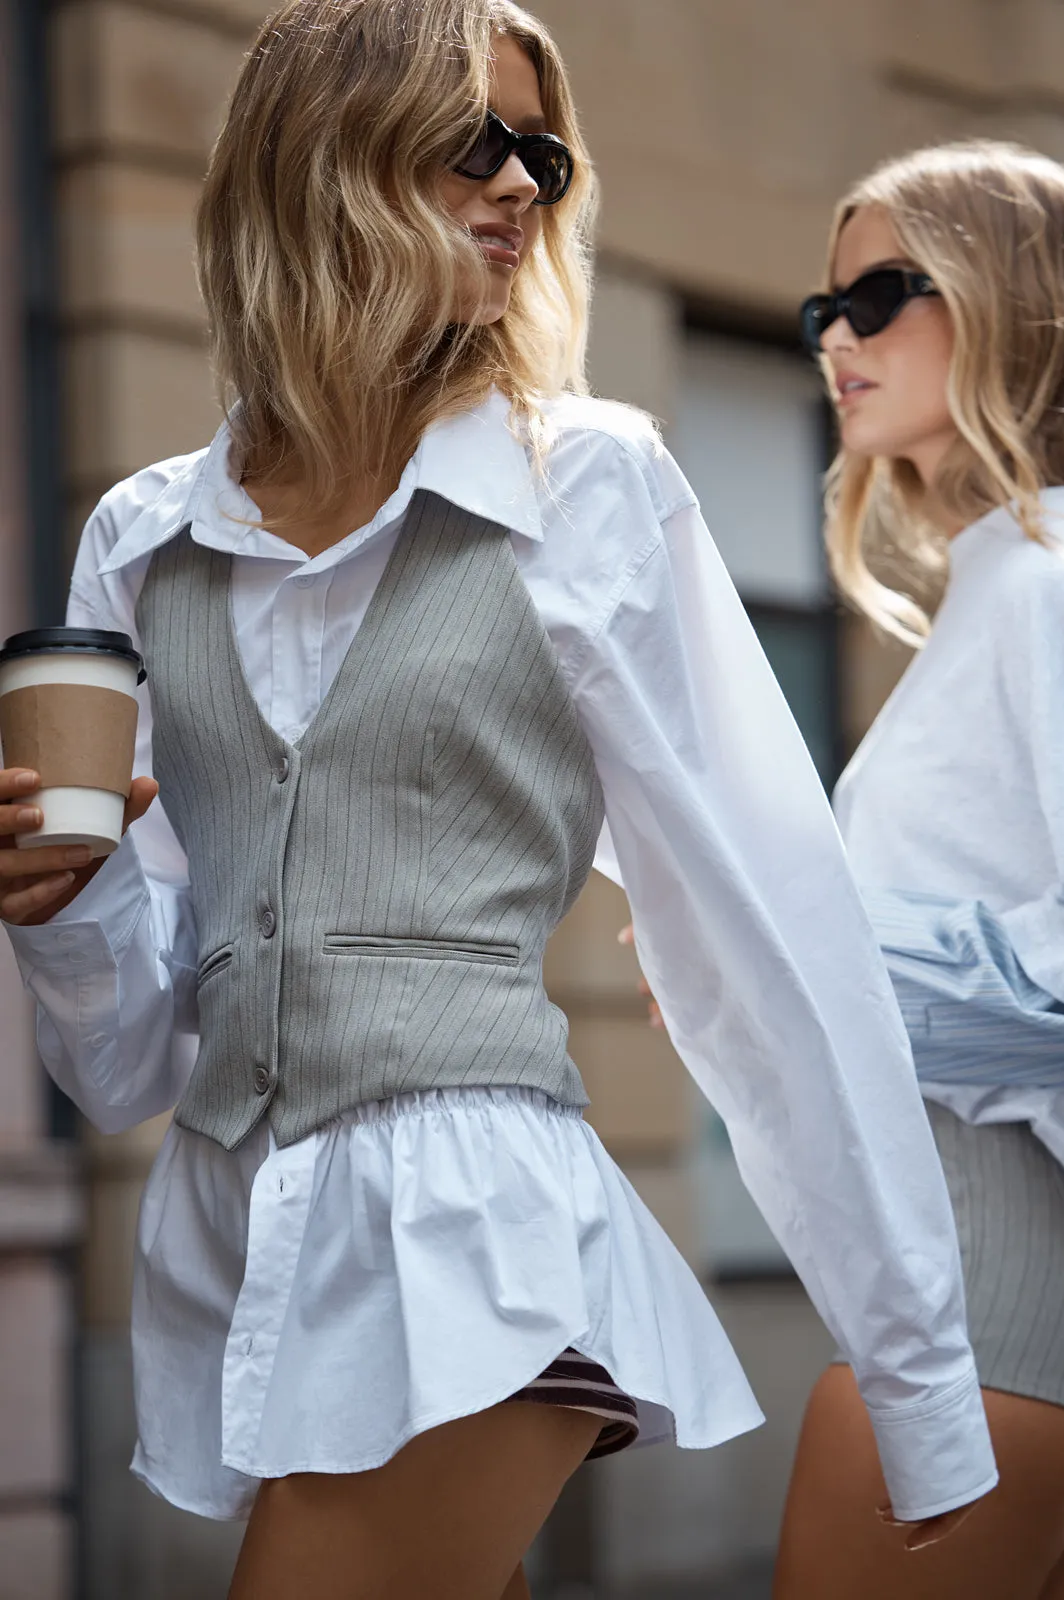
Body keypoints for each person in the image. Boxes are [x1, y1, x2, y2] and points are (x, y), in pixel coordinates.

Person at [0, 6, 994, 1596]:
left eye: (545, 151)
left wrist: (919, 1376)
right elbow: (127, 1059)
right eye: (478, 139)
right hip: (254, 1235)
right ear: (320, 161)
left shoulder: (586, 486)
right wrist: (69, 915)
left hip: (476, 1226)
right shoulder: (142, 540)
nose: (525, 185)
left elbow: (771, 940)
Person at [771, 141, 1064, 1599]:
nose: (839, 336)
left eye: (882, 293)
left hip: (998, 1265)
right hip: (984, 1262)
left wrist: (802, 958)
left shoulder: (1060, 584)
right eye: (819, 310)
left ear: (1009, 301)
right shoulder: (996, 592)